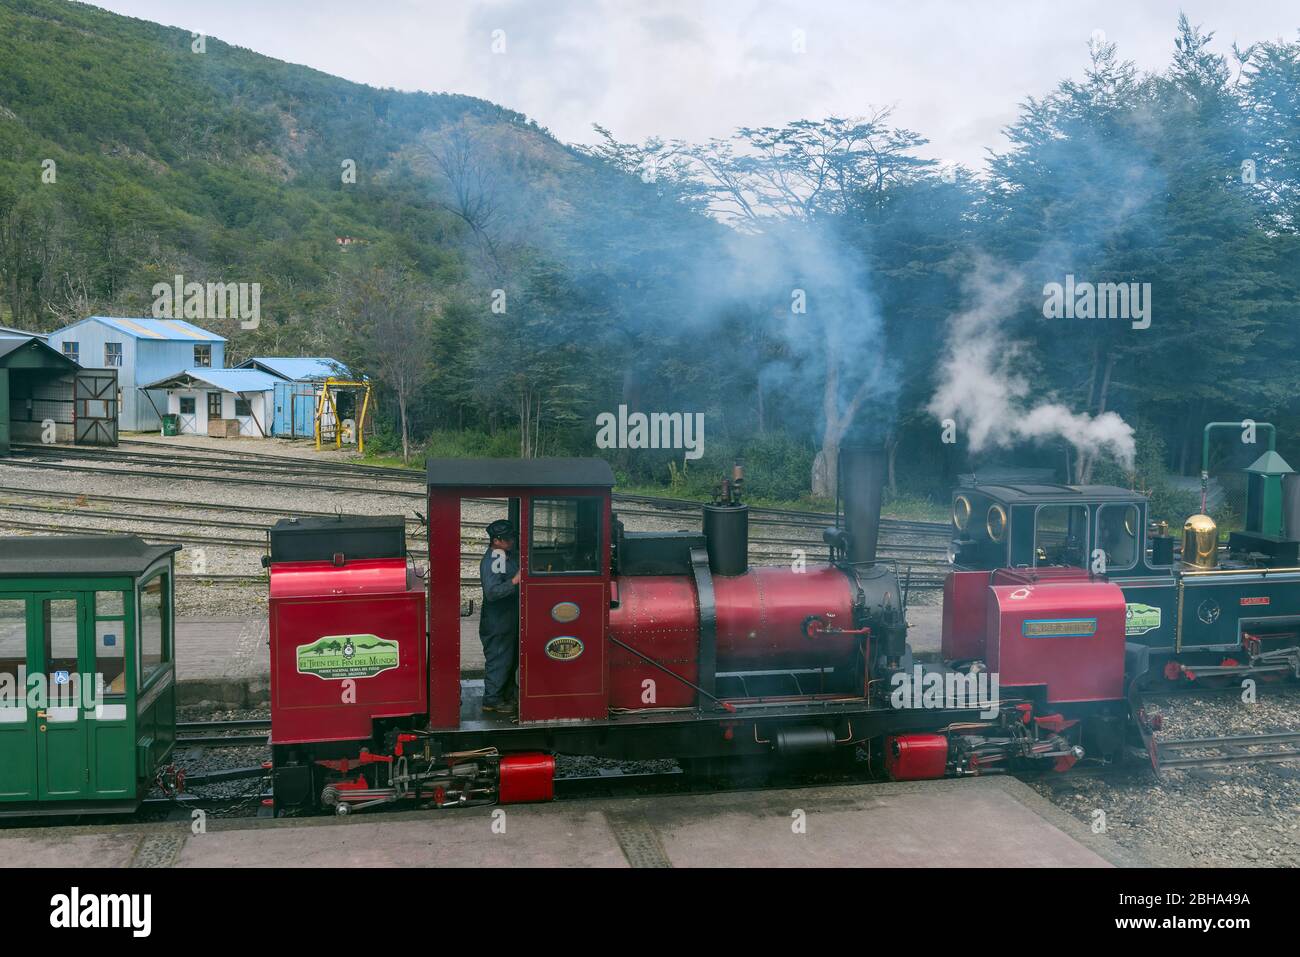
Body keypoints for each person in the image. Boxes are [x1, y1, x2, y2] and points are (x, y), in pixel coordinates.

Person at [479, 518, 521, 714]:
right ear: (496, 540)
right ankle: (492, 700)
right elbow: (493, 591)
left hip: (506, 620)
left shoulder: (504, 556)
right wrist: (514, 581)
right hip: (498, 622)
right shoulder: (495, 559)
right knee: (499, 659)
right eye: (507, 539)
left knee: (508, 660)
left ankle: (506, 695)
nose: (511, 541)